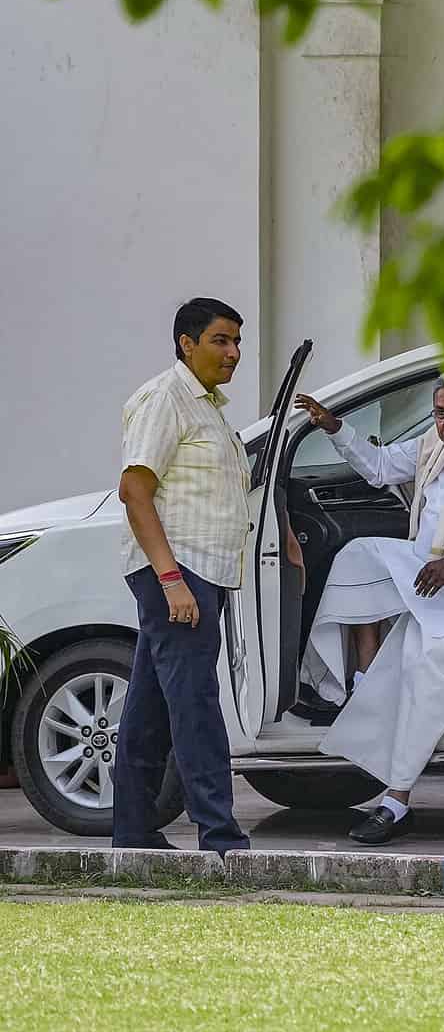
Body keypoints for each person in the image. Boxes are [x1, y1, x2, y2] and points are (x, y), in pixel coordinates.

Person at [295, 372, 444, 845]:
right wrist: (334, 427)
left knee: (428, 665)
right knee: (358, 556)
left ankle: (395, 801)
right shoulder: (431, 445)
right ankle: (354, 679)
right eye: (441, 413)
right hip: (426, 573)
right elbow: (379, 467)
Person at [113, 297, 254, 856]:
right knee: (195, 702)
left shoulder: (209, 406)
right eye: (221, 340)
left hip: (199, 571)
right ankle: (220, 837)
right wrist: (171, 579)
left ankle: (132, 832)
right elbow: (134, 490)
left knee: (149, 704)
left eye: (238, 341)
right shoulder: (165, 398)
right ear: (186, 343)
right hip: (177, 571)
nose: (234, 353)